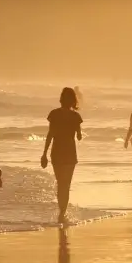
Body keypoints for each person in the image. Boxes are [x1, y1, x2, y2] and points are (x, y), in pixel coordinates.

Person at [41, 87, 83, 223]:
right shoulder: (76, 116)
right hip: (70, 152)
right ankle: (62, 213)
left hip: (57, 152)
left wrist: (44, 153)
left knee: (60, 183)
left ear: (61, 99)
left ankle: (61, 211)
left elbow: (50, 134)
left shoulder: (54, 114)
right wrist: (76, 131)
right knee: (66, 184)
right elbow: (79, 136)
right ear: (73, 100)